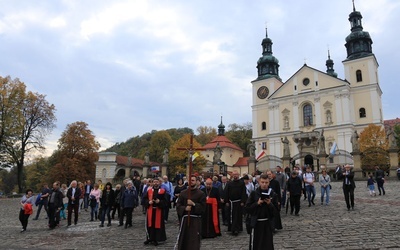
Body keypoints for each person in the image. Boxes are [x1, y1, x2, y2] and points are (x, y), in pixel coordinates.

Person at [175, 175, 206, 250]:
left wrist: (194, 204)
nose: (191, 182)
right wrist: (185, 208)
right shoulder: (183, 193)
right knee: (184, 238)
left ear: (196, 182)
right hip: (185, 219)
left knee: (194, 239)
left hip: (195, 220)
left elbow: (203, 208)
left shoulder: (201, 194)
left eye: (193, 180)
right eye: (190, 180)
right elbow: (178, 206)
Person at [245, 174, 275, 250]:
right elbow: (247, 208)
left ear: (269, 183)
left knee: (267, 244)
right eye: (262, 182)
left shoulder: (272, 193)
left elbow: (276, 211)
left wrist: (269, 204)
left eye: (266, 182)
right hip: (256, 223)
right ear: (259, 182)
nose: (264, 184)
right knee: (257, 244)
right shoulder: (254, 193)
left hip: (267, 223)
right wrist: (257, 203)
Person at [143, 178, 168, 246]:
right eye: (154, 182)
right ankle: (150, 238)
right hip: (151, 210)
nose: (155, 183)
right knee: (150, 224)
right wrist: (148, 202)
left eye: (157, 182)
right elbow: (144, 200)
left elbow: (166, 202)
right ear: (152, 183)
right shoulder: (149, 191)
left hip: (158, 210)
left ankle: (157, 239)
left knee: (157, 225)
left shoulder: (162, 191)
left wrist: (160, 202)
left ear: (159, 183)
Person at [225, 170, 247, 236]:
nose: (235, 176)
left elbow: (244, 192)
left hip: (238, 202)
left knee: (238, 216)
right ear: (232, 175)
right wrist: (226, 201)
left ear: (238, 175)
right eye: (234, 175)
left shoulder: (241, 183)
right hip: (231, 202)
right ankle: (232, 228)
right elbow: (226, 192)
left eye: (236, 174)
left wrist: (243, 201)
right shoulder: (229, 183)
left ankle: (237, 228)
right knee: (231, 216)